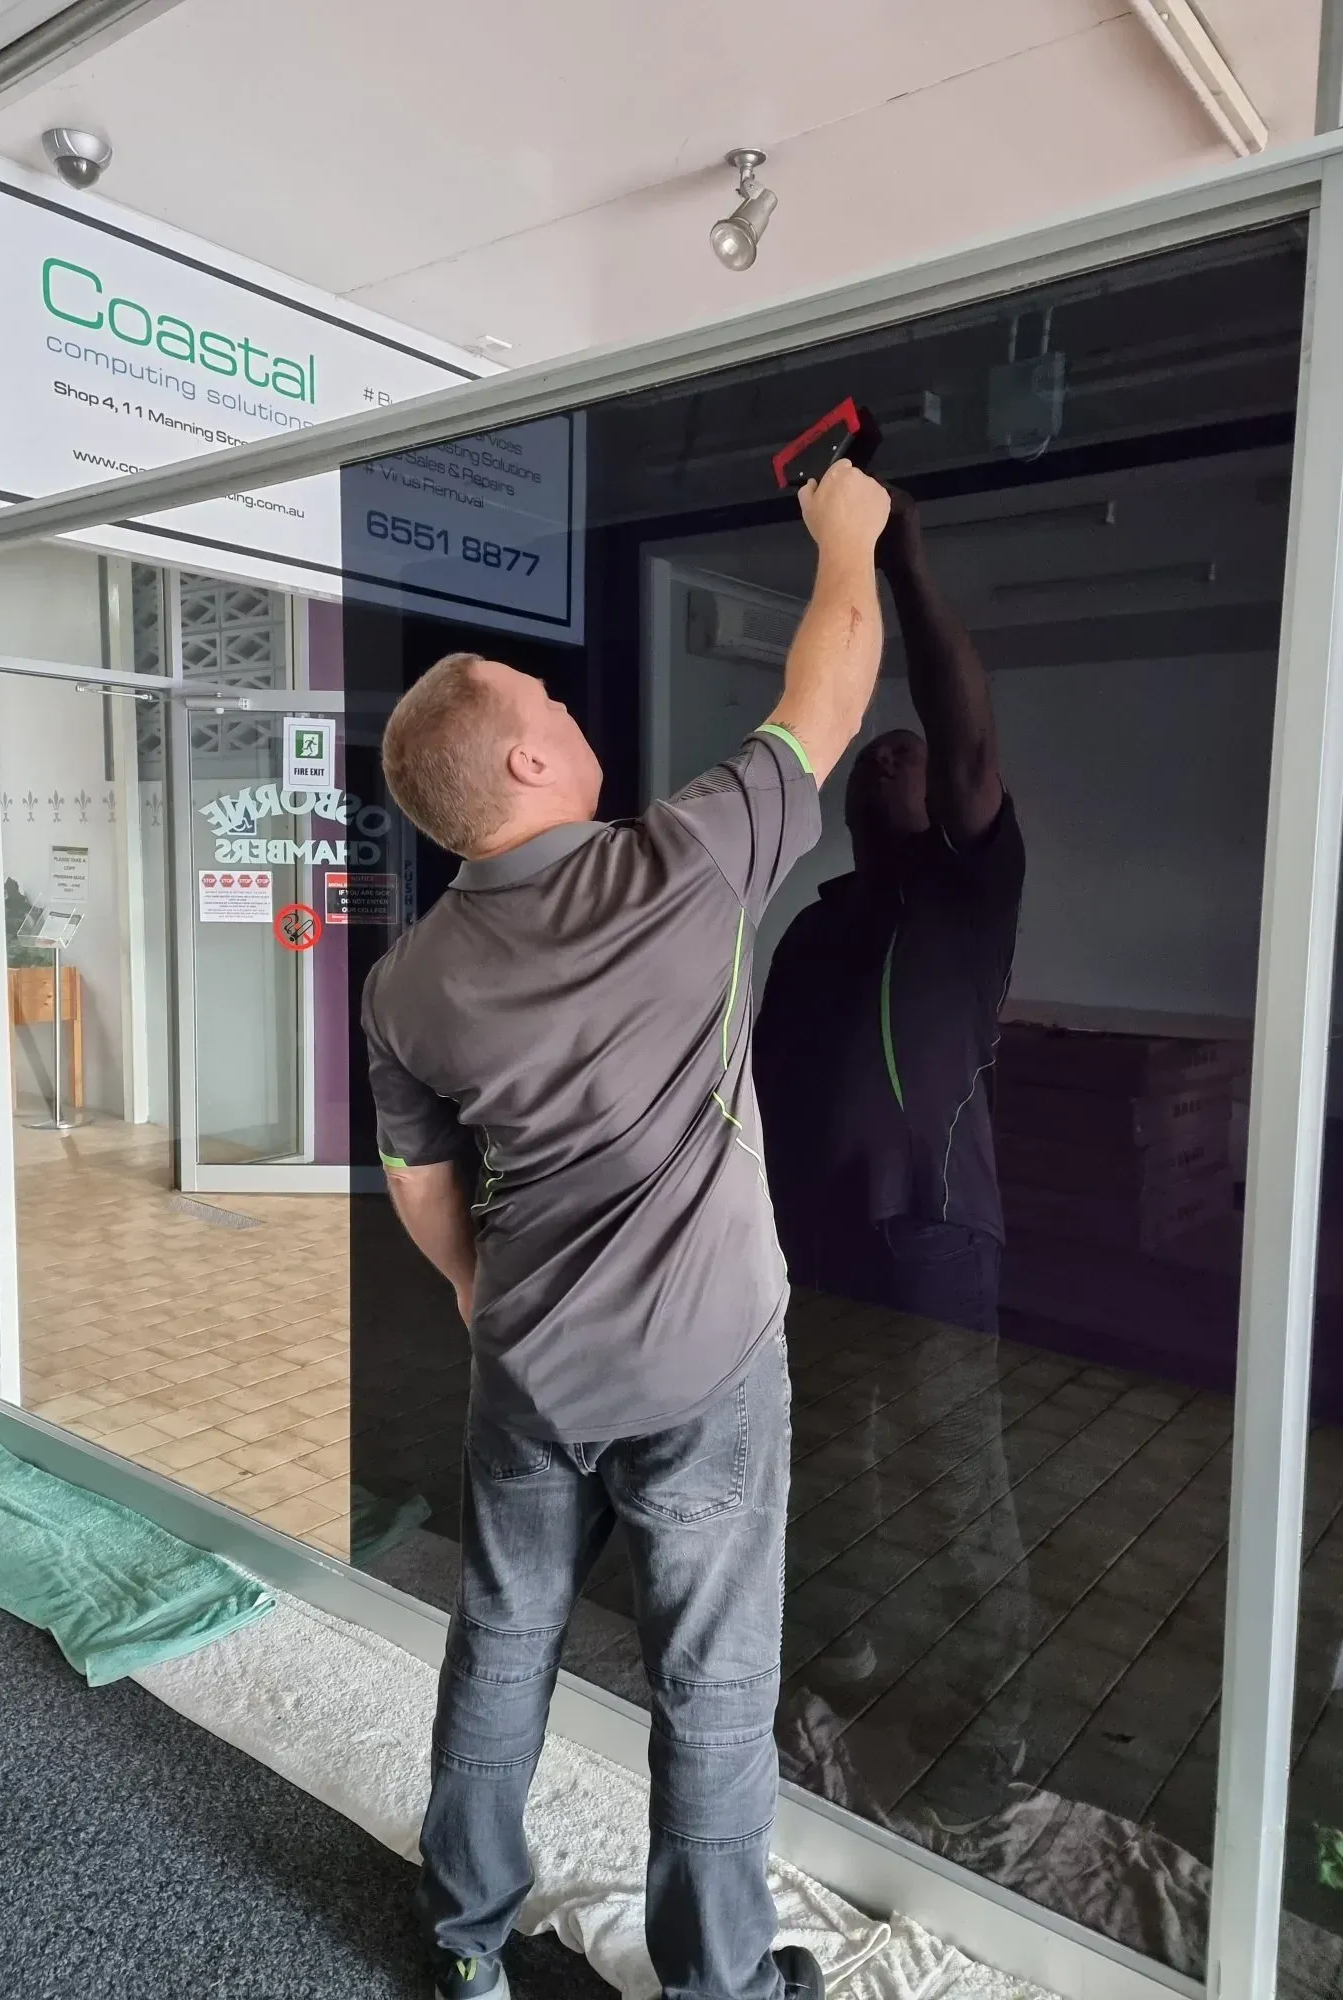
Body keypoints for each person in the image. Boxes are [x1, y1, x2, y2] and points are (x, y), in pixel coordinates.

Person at [361, 460, 893, 2000]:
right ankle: (718, 1988)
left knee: (502, 1637)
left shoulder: (408, 980)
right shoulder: (680, 865)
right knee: (713, 1688)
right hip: (706, 1371)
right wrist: (846, 535)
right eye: (550, 694)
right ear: (530, 757)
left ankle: (465, 1944)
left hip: (526, 1368)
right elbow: (832, 683)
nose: (575, 706)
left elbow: (419, 1182)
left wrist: (480, 1299)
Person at [754, 488, 1029, 1835]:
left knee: (950, 1484)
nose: (893, 756)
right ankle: (841, 1652)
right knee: (822, 1464)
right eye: (877, 750)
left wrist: (900, 558)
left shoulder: (967, 895)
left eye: (912, 751)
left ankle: (991, 1733)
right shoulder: (812, 930)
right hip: (813, 1243)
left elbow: (966, 730)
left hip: (928, 1239)